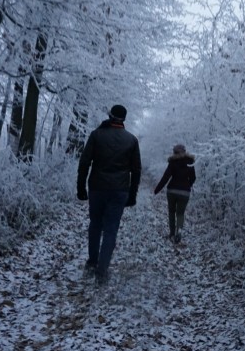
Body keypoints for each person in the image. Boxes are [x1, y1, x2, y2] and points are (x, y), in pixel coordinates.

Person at [77, 104, 141, 285]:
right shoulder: (131, 140)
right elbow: (136, 170)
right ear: (124, 119)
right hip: (119, 190)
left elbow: (84, 162)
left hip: (97, 187)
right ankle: (102, 270)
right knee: (111, 229)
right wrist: (132, 194)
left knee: (95, 224)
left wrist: (80, 187)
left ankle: (92, 262)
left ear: (110, 116)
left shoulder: (97, 135)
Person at [153, 144, 196, 244]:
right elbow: (193, 178)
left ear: (175, 152)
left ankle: (172, 233)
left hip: (172, 191)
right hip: (185, 193)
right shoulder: (190, 162)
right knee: (180, 214)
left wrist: (157, 190)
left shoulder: (173, 162)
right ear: (185, 151)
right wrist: (187, 185)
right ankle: (179, 234)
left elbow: (166, 177)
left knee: (172, 212)